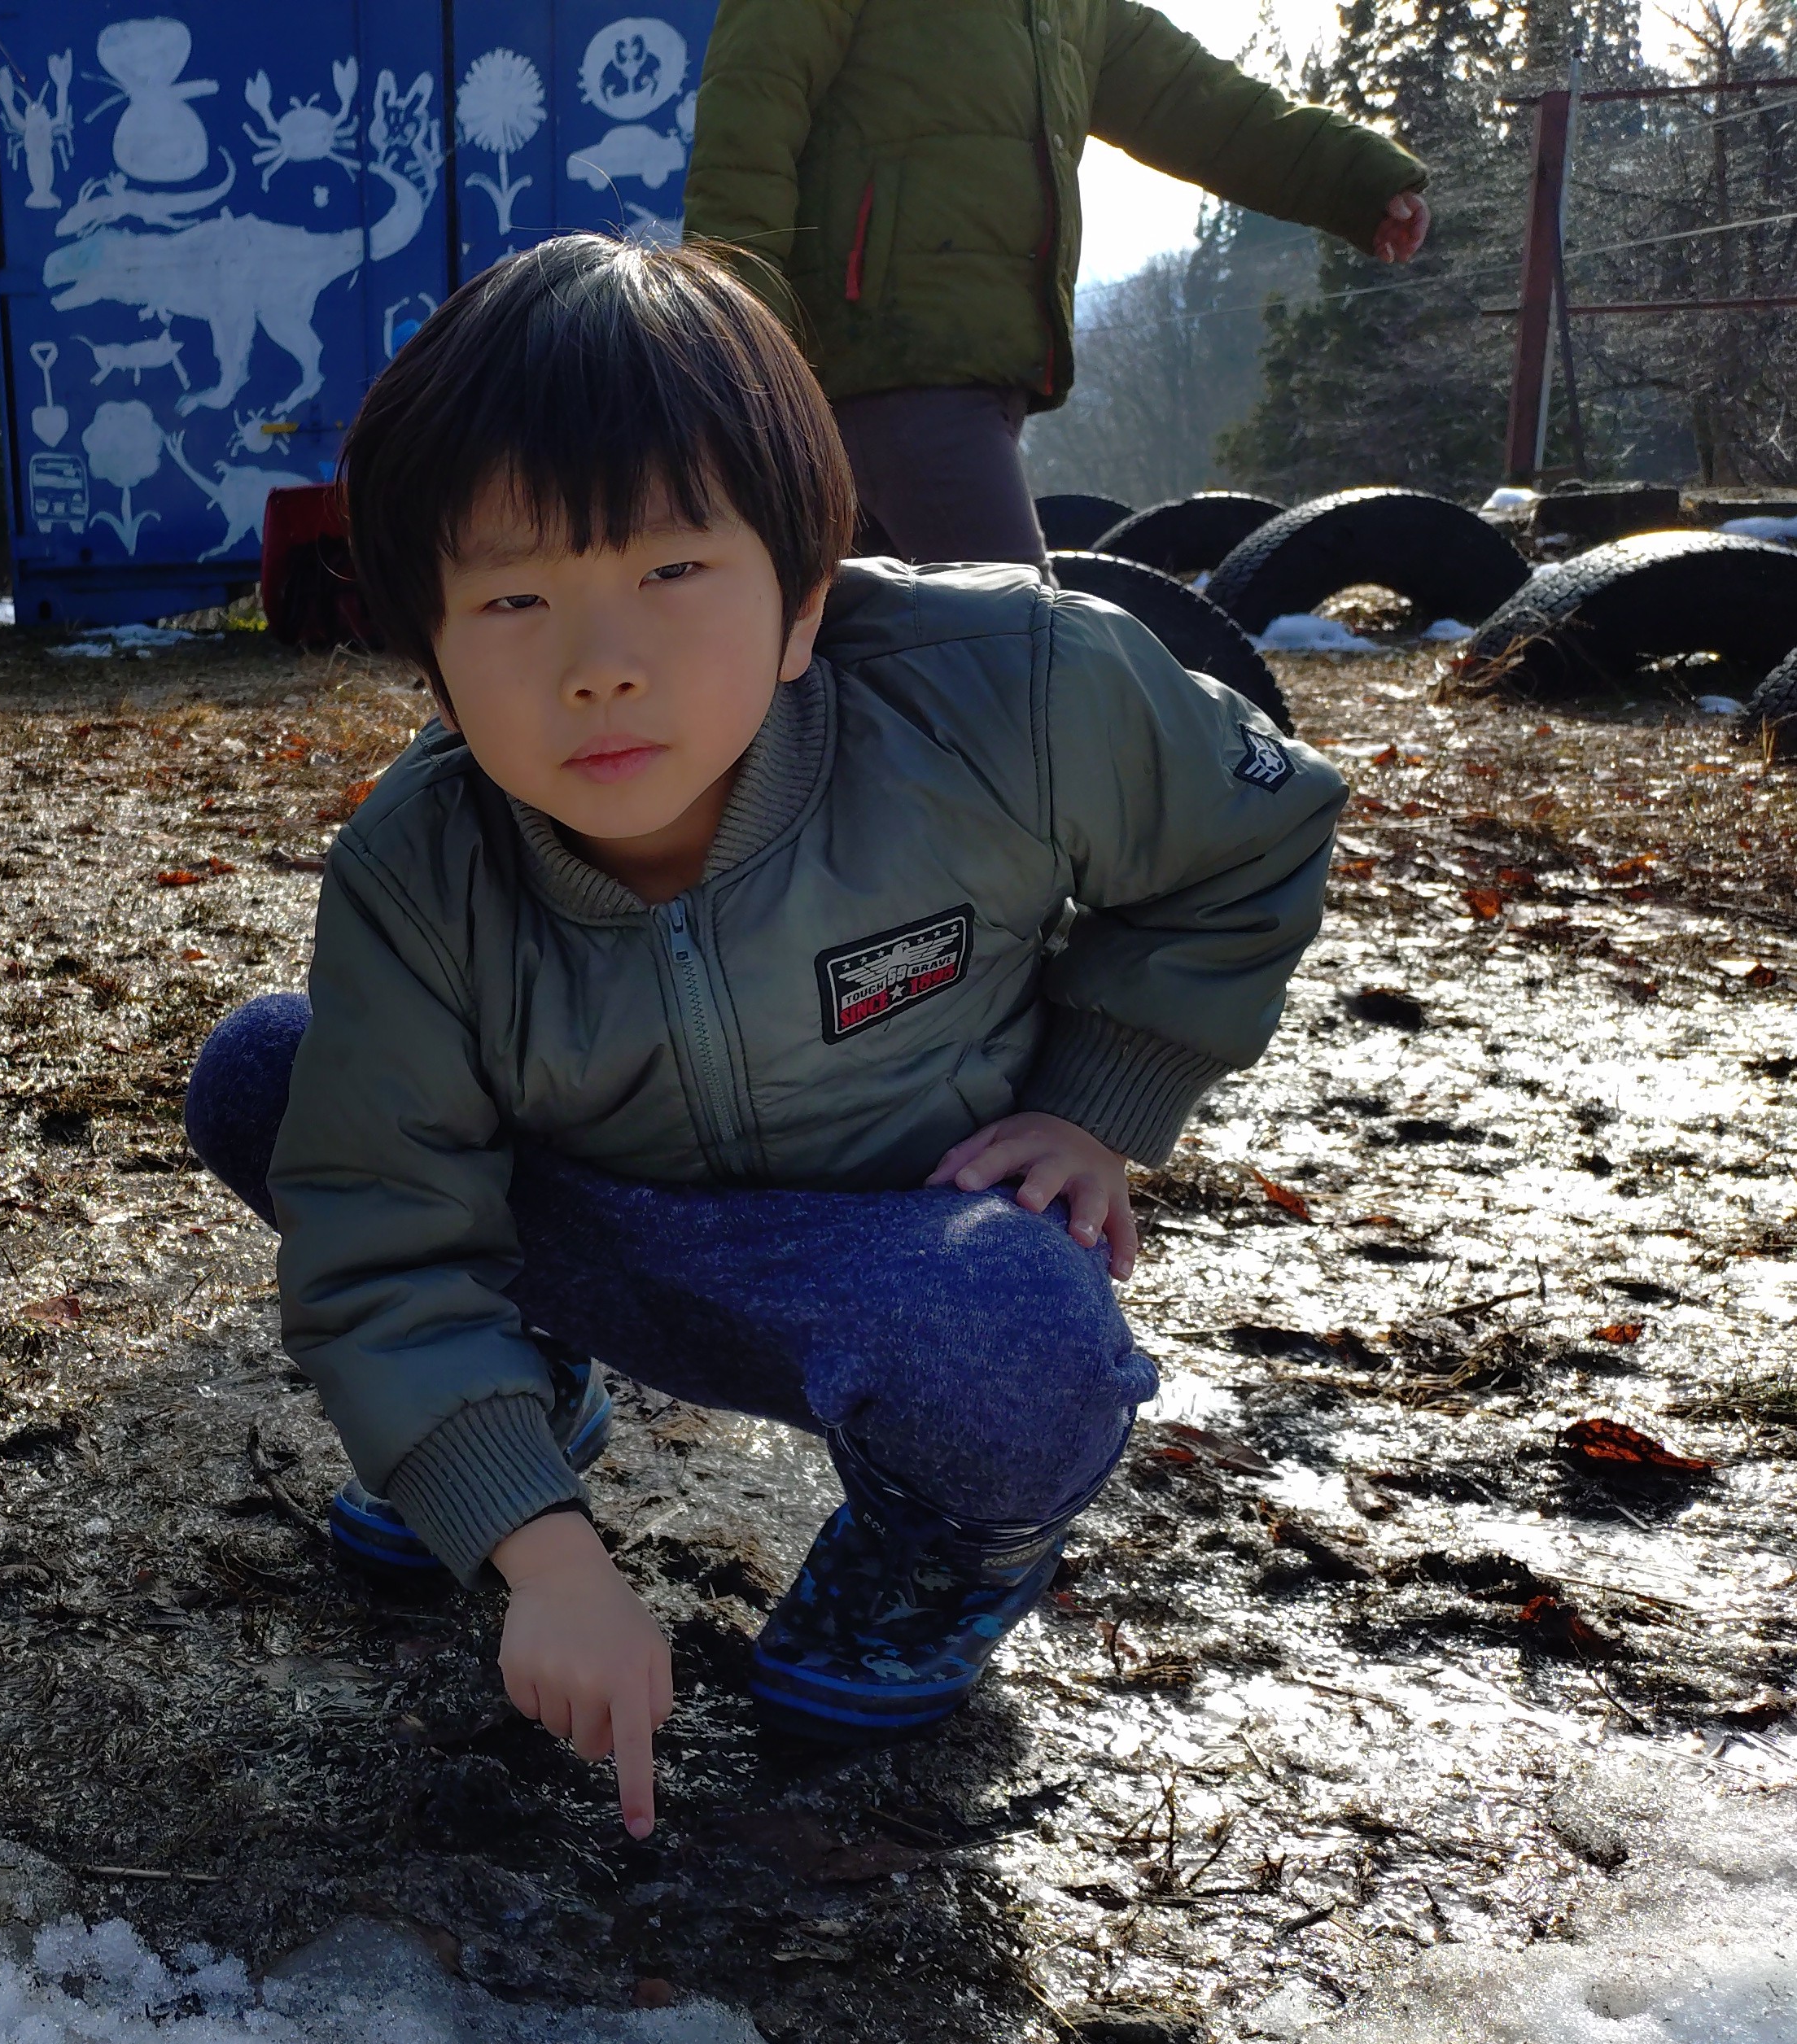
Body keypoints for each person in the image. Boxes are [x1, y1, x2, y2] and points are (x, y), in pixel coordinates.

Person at [181, 236, 1344, 1841]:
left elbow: (1250, 833)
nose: (599, 667)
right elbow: (384, 1233)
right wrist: (542, 1553)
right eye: (512, 598)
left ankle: (936, 1556)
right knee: (270, 1076)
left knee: (1022, 1329)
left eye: (671, 573)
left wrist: (1099, 1099)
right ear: (430, 659)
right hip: (585, 1225)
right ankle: (522, 1399)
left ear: (803, 600)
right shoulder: (417, 864)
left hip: (899, 1260)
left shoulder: (1007, 687)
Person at [681, 0, 1431, 570]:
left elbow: (1200, 104)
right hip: (883, 366)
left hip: (975, 376)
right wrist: (739, 356)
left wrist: (1358, 182)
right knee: (1022, 661)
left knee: (880, 672)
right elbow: (746, 130)